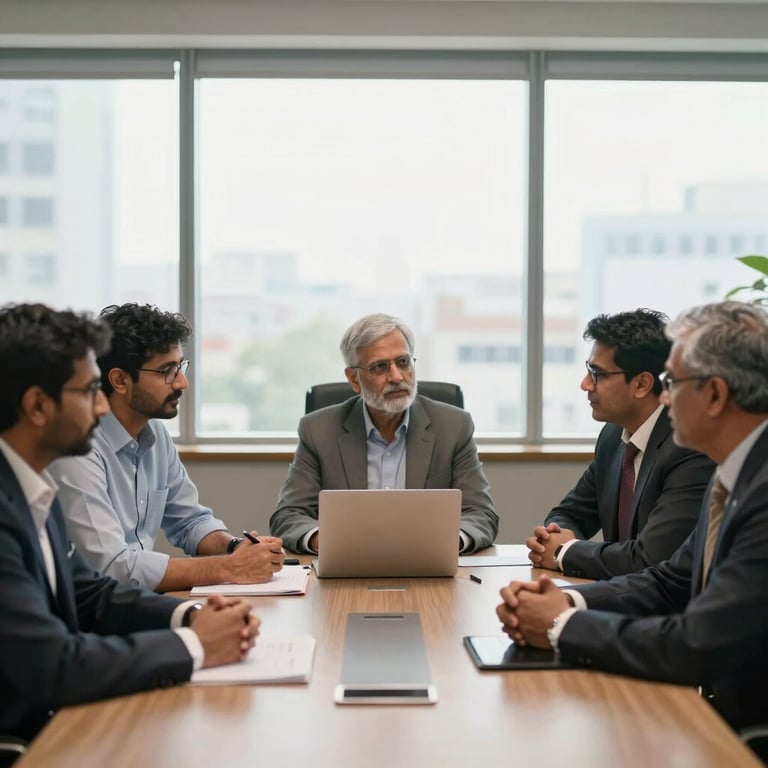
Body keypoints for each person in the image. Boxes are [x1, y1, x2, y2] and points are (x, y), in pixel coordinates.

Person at [497, 301, 768, 731]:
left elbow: (693, 644)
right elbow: (671, 579)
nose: (665, 396)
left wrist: (562, 624)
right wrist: (566, 600)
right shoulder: (738, 475)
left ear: (715, 394)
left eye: (673, 382)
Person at [0, 303, 260, 742]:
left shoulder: (30, 486)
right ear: (38, 406)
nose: (102, 406)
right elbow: (54, 665)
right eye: (88, 392)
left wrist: (191, 616)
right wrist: (196, 646)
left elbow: (91, 592)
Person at [50, 303, 284, 592]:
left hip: (136, 603)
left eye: (180, 366)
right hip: (97, 612)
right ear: (120, 380)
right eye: (167, 371)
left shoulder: (155, 435)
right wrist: (229, 567)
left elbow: (190, 521)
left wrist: (235, 547)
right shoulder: (77, 449)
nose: (182, 382)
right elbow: (112, 567)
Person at [269, 312, 498, 553]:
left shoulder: (453, 426)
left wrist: (452, 541)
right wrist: (321, 539)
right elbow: (289, 514)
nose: (397, 377)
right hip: (346, 568)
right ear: (354, 378)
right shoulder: (318, 430)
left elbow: (481, 513)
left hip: (430, 568)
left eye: (403, 362)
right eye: (380, 367)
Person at [527, 309, 713, 579]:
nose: (585, 384)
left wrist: (563, 552)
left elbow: (650, 559)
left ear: (641, 384)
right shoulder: (613, 437)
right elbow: (569, 513)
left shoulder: (687, 447)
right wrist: (554, 537)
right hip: (620, 597)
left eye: (597, 374)